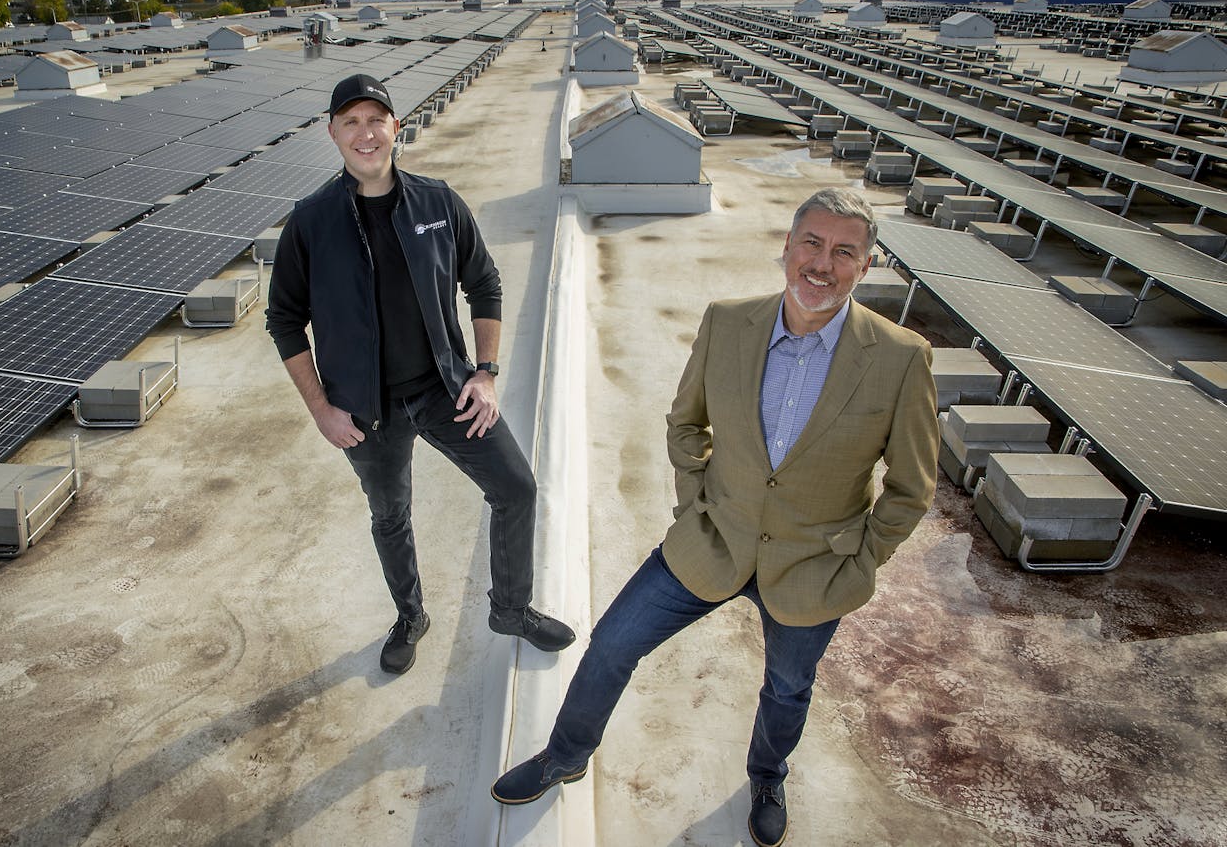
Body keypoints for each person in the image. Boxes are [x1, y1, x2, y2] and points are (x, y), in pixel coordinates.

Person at [491, 188, 939, 847]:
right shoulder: (728, 322)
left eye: (844, 251)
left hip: (814, 567)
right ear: (785, 248)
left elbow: (911, 486)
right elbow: (685, 424)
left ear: (866, 265)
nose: (822, 263)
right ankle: (565, 753)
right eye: (810, 243)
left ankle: (766, 777)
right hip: (713, 538)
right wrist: (695, 503)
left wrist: (861, 556)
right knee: (614, 642)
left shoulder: (901, 357)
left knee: (787, 688)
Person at [266, 74, 575, 676]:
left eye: (375, 119)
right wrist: (322, 410)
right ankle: (410, 617)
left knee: (516, 488)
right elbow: (284, 323)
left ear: (395, 128)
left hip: (445, 389)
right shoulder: (311, 222)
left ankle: (511, 611)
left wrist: (484, 373)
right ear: (332, 132)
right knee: (391, 516)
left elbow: (484, 284)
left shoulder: (437, 203)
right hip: (365, 411)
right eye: (350, 122)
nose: (365, 133)